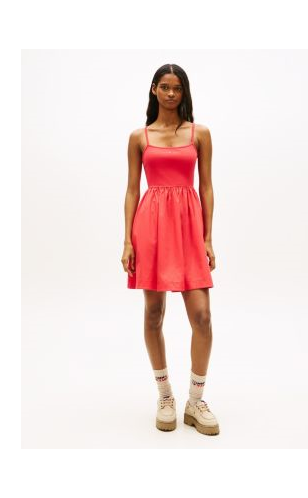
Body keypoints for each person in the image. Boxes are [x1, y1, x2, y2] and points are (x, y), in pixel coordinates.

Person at [121, 64, 219, 436]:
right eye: (165, 87)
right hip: (151, 228)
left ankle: (195, 400)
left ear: (184, 91)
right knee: (153, 314)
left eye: (177, 88)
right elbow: (133, 189)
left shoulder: (200, 133)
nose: (171, 94)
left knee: (202, 316)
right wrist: (127, 240)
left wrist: (208, 237)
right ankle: (165, 396)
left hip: (189, 228)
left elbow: (206, 187)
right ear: (154, 90)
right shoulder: (139, 137)